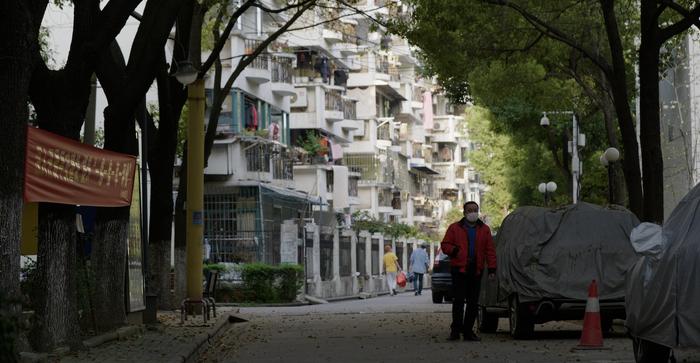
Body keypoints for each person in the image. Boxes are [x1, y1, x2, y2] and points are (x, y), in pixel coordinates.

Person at [440, 201, 497, 341]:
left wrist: (492, 269)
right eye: (470, 210)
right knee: (458, 301)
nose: (473, 212)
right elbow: (445, 244)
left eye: (475, 210)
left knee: (473, 302)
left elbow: (490, 250)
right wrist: (455, 250)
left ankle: (468, 331)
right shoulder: (454, 228)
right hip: (459, 269)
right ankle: (455, 331)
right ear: (465, 213)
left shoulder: (484, 229)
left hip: (476, 270)